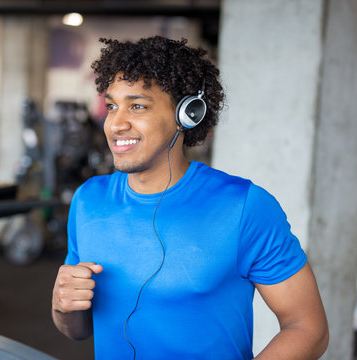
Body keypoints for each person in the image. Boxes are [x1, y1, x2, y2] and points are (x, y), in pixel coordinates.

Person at [52, 36, 328, 359]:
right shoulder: (88, 201)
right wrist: (62, 308)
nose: (116, 124)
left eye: (137, 106)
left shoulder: (244, 207)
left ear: (188, 114)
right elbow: (79, 328)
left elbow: (308, 327)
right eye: (112, 106)